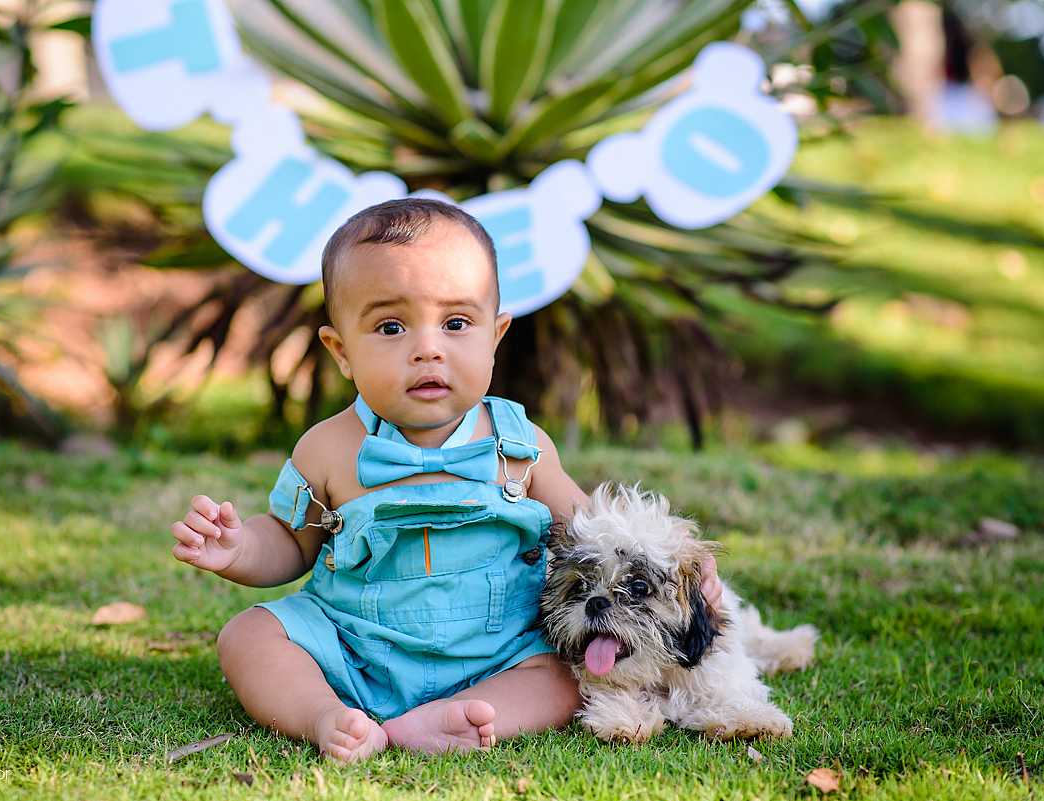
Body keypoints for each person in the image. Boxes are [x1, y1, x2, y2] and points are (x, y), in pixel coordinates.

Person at [171, 198, 723, 762]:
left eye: (456, 324)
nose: (428, 349)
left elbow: (594, 532)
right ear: (341, 351)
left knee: (561, 678)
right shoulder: (327, 448)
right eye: (391, 327)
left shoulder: (520, 445)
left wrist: (686, 568)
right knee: (248, 636)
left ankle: (448, 719)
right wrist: (239, 548)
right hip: (353, 649)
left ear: (495, 336)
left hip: (499, 653)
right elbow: (290, 543)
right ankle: (324, 714)